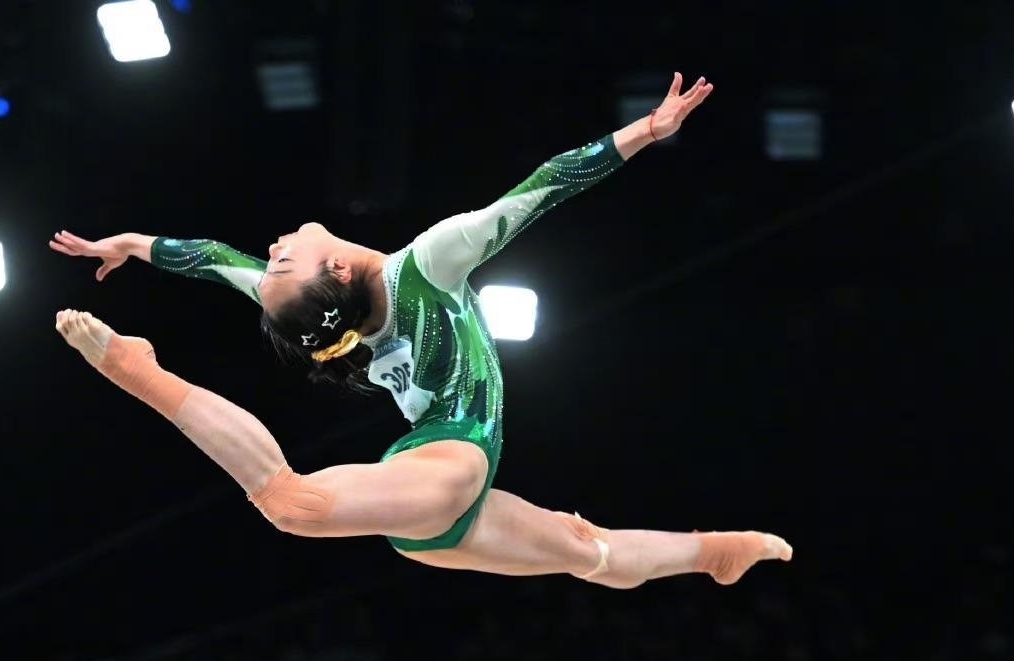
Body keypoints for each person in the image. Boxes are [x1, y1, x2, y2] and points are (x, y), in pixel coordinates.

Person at [50, 73, 790, 589]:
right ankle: (132, 366)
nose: (269, 255)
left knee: (585, 552)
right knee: (289, 505)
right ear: (336, 269)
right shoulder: (428, 266)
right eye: (281, 265)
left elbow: (212, 262)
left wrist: (134, 244)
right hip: (447, 466)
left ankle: (714, 553)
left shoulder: (338, 297)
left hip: (432, 508)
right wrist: (643, 133)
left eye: (272, 264)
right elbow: (542, 186)